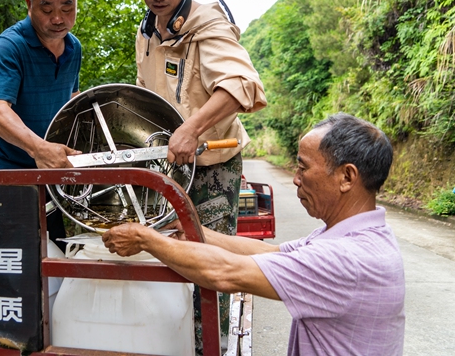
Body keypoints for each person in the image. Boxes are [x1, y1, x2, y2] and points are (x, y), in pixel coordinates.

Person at [103, 113, 406, 356]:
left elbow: (225, 273)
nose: (296, 180)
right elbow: (270, 254)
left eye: (303, 168)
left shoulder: (348, 259)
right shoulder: (355, 237)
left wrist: (146, 239)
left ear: (347, 177)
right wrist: (192, 228)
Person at [133, 0, 267, 351]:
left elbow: (243, 85)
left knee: (209, 265)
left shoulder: (208, 24)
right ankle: (169, 342)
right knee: (169, 255)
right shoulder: (147, 31)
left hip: (213, 168)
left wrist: (192, 129)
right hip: (170, 168)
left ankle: (212, 344)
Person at [0, 0, 82, 251]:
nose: (58, 18)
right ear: (29, 4)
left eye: (67, 6)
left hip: (49, 175)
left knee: (56, 256)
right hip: (4, 173)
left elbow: (72, 100)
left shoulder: (74, 48)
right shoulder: (9, 46)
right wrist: (39, 149)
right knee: (6, 259)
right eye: (47, 9)